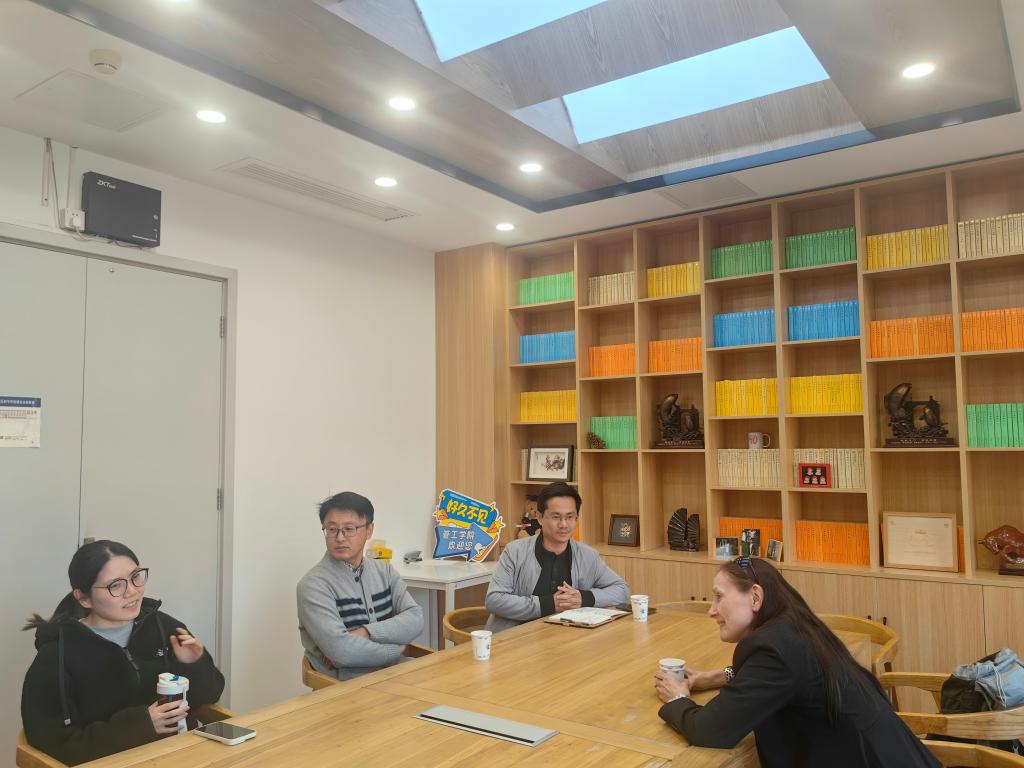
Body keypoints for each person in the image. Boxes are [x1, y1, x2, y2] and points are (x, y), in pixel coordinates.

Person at [654, 557, 940, 768]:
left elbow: (710, 730)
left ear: (755, 597)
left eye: (718, 597)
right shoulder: (793, 625)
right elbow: (791, 678)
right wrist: (720, 676)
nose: (712, 610)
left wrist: (678, 698)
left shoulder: (772, 649)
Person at [20, 540, 225, 766]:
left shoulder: (164, 627)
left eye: (136, 576)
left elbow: (208, 696)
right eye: (115, 585)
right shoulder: (55, 656)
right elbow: (56, 746)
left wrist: (195, 663)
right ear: (83, 598)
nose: (132, 591)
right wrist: (142, 725)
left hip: (180, 757)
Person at [297, 491, 424, 680]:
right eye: (332, 529)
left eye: (349, 529)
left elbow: (416, 618)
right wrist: (397, 649)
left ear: (369, 530)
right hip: (346, 684)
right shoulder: (313, 585)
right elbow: (342, 652)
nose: (340, 537)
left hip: (395, 672)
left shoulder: (384, 571)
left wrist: (366, 632)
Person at [485, 482, 629, 632]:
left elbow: (621, 589)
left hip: (569, 639)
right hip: (516, 639)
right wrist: (548, 604)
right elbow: (494, 600)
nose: (564, 525)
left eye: (570, 517)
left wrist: (584, 598)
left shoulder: (588, 555)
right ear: (539, 517)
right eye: (556, 517)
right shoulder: (514, 551)